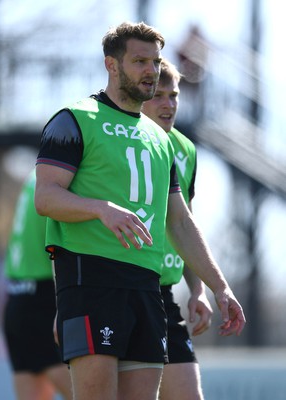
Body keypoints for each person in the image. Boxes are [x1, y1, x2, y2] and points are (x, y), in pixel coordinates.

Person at [34, 21, 246, 400]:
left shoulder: (160, 140)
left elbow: (180, 221)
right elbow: (46, 198)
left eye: (155, 61)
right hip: (90, 282)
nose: (150, 70)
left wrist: (219, 287)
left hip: (147, 288)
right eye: (139, 61)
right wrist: (101, 209)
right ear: (111, 65)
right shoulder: (74, 119)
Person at [142, 58, 211, 400]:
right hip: (122, 290)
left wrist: (199, 290)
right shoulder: (120, 140)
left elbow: (185, 223)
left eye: (174, 95)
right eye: (158, 95)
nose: (168, 104)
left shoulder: (185, 148)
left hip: (165, 296)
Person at [3, 170, 72, 400]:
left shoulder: (38, 177)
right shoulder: (61, 182)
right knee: (93, 393)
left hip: (18, 299)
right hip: (44, 302)